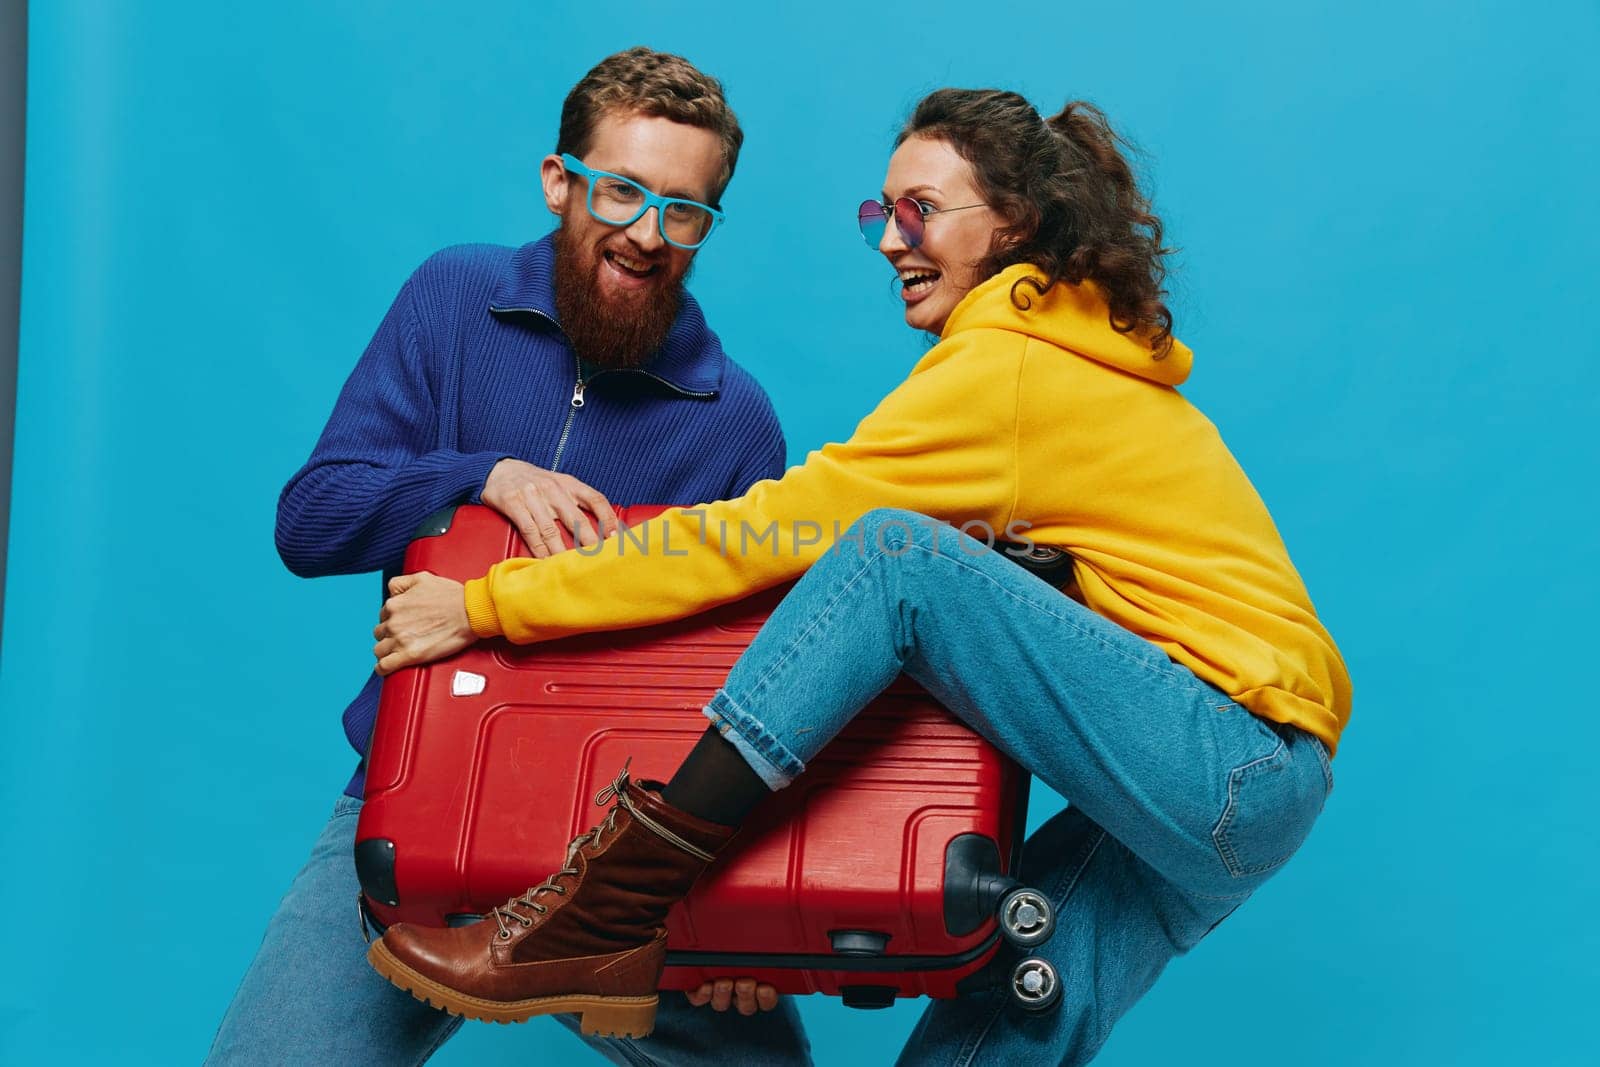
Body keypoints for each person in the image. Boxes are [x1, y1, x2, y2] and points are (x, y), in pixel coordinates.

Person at [370, 86, 1353, 1065]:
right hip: (1233, 790)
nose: (889, 238)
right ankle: (608, 916)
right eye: (879, 212)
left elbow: (757, 534)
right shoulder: (1065, 358)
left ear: (1008, 222)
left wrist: (492, 602)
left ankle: (606, 908)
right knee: (1001, 1029)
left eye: (918, 209)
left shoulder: (1009, 370)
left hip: (1226, 755)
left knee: (895, 558)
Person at [207, 47, 814, 1066]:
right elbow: (311, 522)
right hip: (416, 807)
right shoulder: (453, 299)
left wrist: (749, 919)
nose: (645, 234)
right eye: (619, 191)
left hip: (622, 857)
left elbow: (736, 688)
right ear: (558, 180)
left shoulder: (737, 420)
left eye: (683, 210)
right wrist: (481, 473)